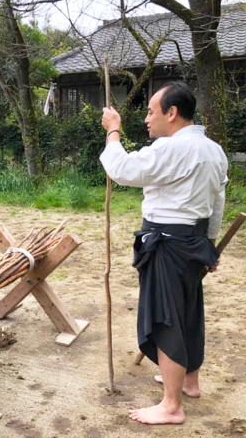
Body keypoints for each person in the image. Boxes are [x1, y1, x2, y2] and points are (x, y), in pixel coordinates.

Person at [99, 82, 228, 425]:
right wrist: (209, 244)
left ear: (172, 113)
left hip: (168, 244)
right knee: (187, 310)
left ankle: (171, 405)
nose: (146, 118)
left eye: (151, 111)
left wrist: (113, 131)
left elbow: (123, 169)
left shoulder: (172, 148)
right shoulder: (214, 150)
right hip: (193, 242)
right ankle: (189, 381)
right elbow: (217, 202)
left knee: (165, 317)